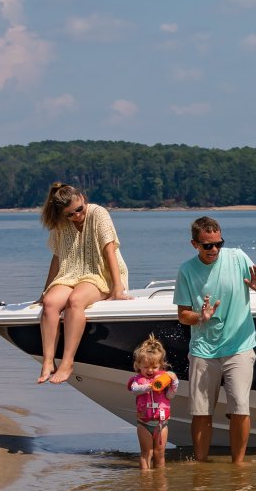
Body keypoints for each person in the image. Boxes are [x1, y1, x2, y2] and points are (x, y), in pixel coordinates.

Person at [173, 216, 256, 465]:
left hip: (239, 346)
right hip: (203, 350)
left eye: (219, 243)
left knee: (240, 408)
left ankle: (239, 468)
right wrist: (201, 316)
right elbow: (183, 315)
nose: (214, 249)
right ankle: (200, 467)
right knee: (201, 412)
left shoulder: (238, 258)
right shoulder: (186, 270)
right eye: (208, 245)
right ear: (195, 244)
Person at [37, 182, 129, 384]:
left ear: (83, 198)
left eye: (79, 209)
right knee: (50, 303)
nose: (77, 215)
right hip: (70, 274)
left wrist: (117, 287)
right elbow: (57, 257)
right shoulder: (61, 224)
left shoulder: (98, 213)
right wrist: (44, 291)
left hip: (100, 274)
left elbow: (109, 250)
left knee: (75, 300)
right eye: (70, 214)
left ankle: (67, 362)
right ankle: (48, 361)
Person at [127, 334, 177, 471]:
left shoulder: (163, 379)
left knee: (159, 453)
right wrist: (149, 387)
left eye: (154, 367)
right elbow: (135, 390)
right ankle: (145, 479)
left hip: (161, 423)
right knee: (146, 453)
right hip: (144, 423)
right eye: (146, 367)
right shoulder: (138, 380)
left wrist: (174, 382)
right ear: (139, 365)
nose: (150, 370)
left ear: (161, 366)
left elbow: (170, 395)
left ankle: (160, 479)